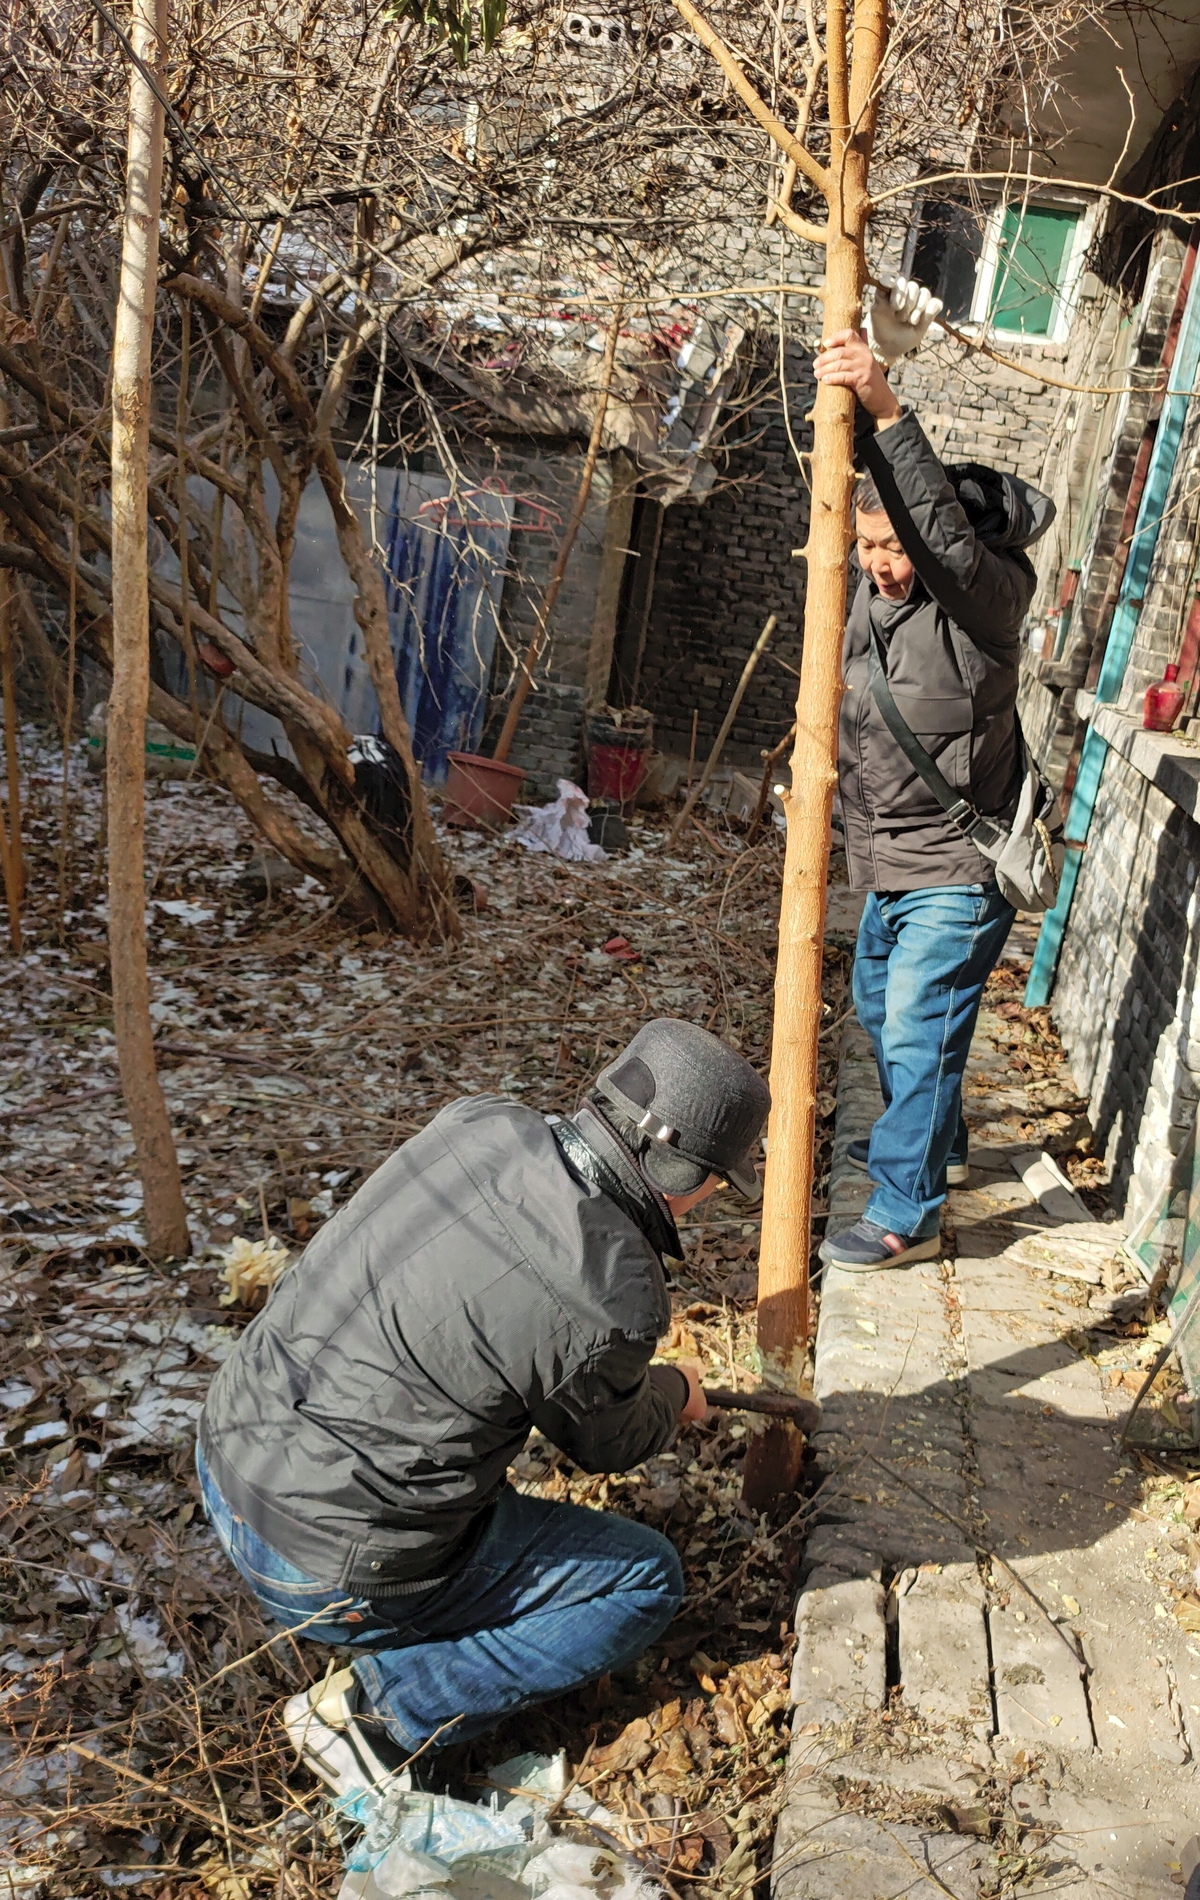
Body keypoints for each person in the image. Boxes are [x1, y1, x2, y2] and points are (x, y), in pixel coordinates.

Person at [197, 1019, 770, 1795]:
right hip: (319, 1566)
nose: (711, 1200)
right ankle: (379, 1720)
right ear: (682, 1170)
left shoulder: (481, 1121)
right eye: (718, 1181)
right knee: (645, 1580)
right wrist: (674, 1393)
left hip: (228, 1448)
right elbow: (609, 1443)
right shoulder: (614, 1291)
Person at [813, 285, 1054, 1272]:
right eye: (868, 548)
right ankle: (937, 1144)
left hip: (958, 863)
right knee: (884, 1009)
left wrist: (883, 401)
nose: (882, 565)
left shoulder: (986, 600)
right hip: (890, 858)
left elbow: (940, 539)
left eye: (894, 548)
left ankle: (906, 1212)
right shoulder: (876, 599)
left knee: (918, 1024)